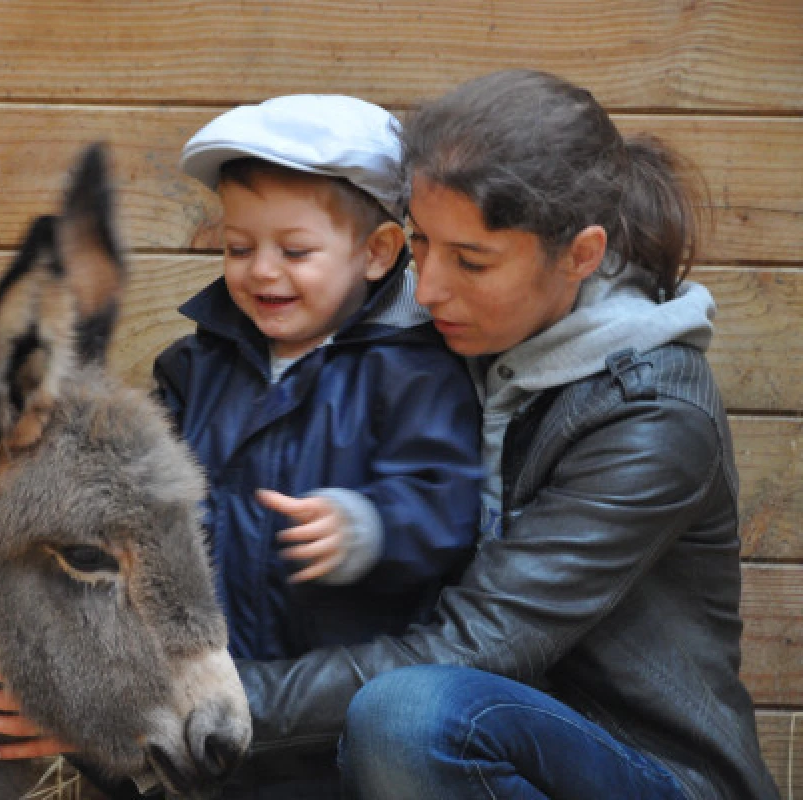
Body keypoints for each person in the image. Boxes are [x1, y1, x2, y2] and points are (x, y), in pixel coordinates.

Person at [233, 70, 781, 799]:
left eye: (471, 260)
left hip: (648, 773)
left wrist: (203, 705)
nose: (426, 288)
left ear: (581, 255)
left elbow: (477, 652)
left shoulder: (654, 418)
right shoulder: (449, 343)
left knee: (409, 715)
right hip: (486, 750)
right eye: (422, 243)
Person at [0, 94, 484, 798]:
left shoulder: (415, 375)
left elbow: (448, 497)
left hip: (328, 712)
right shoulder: (194, 369)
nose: (262, 271)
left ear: (378, 253)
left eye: (294, 251)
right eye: (239, 247)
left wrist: (372, 524)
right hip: (208, 676)